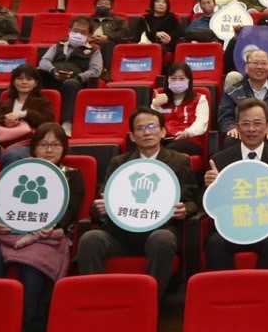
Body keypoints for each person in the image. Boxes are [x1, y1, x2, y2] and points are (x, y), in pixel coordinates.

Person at [0, 122, 84, 332]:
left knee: (32, 263)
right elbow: (2, 207)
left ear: (64, 148)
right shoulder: (18, 173)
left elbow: (69, 213)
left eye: (55, 145)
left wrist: (51, 227)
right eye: (43, 144)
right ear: (34, 148)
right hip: (12, 235)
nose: (49, 150)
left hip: (48, 237)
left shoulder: (73, 176)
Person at [78, 109, 198, 301]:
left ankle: (150, 304)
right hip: (121, 235)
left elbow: (192, 201)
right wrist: (99, 209)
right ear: (133, 136)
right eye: (140, 128)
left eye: (152, 127)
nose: (147, 132)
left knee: (162, 238)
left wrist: (185, 210)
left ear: (162, 131)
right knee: (91, 239)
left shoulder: (178, 161)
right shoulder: (119, 163)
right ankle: (97, 302)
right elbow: (99, 203)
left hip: (159, 232)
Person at [203, 98, 268, 271]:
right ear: (237, 128)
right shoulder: (219, 160)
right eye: (245, 124)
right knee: (215, 242)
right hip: (232, 225)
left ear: (267, 127)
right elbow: (212, 206)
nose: (251, 129)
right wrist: (212, 187)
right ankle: (223, 289)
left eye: (257, 123)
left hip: (267, 224)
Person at [0, 64, 57, 167]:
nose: (24, 82)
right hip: (2, 143)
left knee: (12, 155)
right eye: (20, 79)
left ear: (35, 83)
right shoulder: (3, 104)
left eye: (29, 79)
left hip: (28, 143)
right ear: (13, 82)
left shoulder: (43, 102)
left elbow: (48, 122)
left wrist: (25, 114)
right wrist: (4, 121)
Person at [217, 49, 268, 138]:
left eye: (264, 63)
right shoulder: (233, 91)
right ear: (246, 67)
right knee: (231, 138)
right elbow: (225, 117)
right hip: (243, 134)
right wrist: (231, 128)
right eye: (255, 63)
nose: (259, 67)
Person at [39, 15, 103, 121]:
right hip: (53, 76)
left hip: (76, 81)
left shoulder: (94, 52)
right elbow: (44, 61)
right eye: (75, 31)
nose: (78, 34)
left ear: (89, 35)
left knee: (71, 83)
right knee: (32, 76)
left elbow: (95, 71)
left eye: (83, 32)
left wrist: (78, 77)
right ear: (69, 31)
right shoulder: (58, 46)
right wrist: (53, 70)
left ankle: (67, 122)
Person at [152, 62, 209, 155]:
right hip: (163, 139)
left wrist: (186, 133)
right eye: (173, 78)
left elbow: (201, 124)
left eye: (182, 78)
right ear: (167, 80)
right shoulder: (160, 98)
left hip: (188, 140)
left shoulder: (199, 99)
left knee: (168, 150)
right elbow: (151, 123)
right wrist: (155, 106)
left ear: (189, 80)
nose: (177, 81)